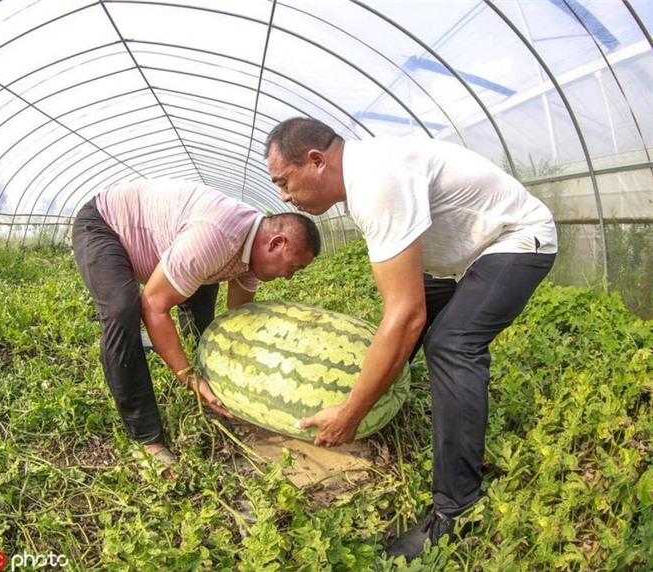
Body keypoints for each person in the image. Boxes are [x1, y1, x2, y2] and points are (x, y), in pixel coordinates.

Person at [265, 117, 557, 560]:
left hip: (518, 239)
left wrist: (352, 412)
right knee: (402, 333)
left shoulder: (376, 182)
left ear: (317, 161)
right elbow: (400, 311)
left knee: (451, 344)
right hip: (465, 258)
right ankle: (364, 409)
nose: (284, 196)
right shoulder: (362, 179)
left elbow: (407, 315)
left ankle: (455, 511)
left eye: (285, 182)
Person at [72, 178, 321, 479]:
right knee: (122, 310)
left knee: (204, 320)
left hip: (172, 247)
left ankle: (205, 375)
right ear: (276, 244)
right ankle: (146, 439)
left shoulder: (252, 254)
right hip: (107, 225)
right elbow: (153, 305)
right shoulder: (217, 236)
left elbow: (237, 320)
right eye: (293, 267)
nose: (291, 277)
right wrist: (189, 378)